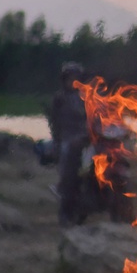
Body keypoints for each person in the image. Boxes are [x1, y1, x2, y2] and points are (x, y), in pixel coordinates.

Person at [48, 62, 89, 225]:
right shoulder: (60, 98)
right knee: (67, 165)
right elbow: (54, 122)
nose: (73, 81)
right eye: (70, 78)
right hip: (68, 138)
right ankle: (64, 206)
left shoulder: (87, 96)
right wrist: (58, 139)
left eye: (76, 78)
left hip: (87, 137)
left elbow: (98, 115)